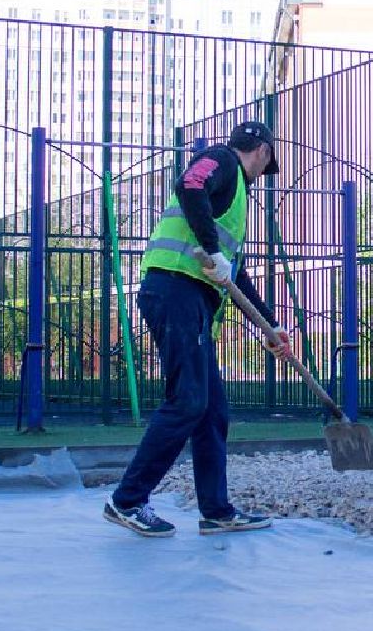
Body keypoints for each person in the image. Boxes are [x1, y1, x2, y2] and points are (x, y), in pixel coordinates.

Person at [104, 121, 296, 537]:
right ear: (262, 151)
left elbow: (234, 276)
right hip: (174, 289)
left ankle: (217, 511)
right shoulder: (223, 161)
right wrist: (211, 249)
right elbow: (190, 184)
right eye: (268, 162)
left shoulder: (236, 199)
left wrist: (271, 325)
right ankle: (128, 501)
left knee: (211, 411)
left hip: (190, 298)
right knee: (188, 401)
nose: (266, 172)